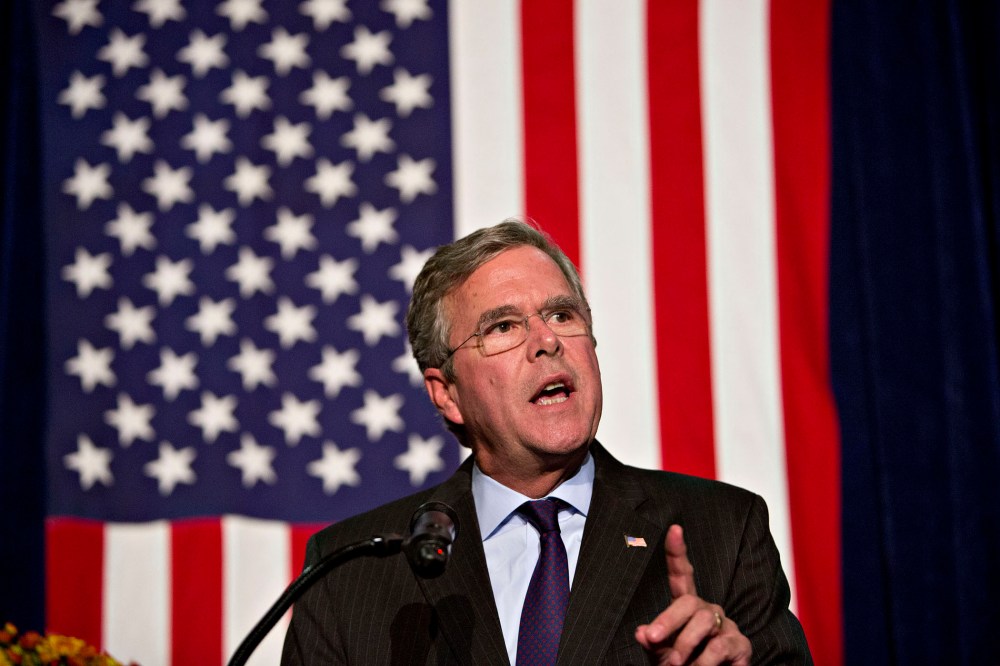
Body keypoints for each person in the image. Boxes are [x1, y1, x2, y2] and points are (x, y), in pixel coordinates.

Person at [281, 219, 812, 665]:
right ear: (447, 394)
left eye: (562, 314)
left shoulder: (722, 531)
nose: (547, 341)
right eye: (504, 326)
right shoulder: (350, 574)